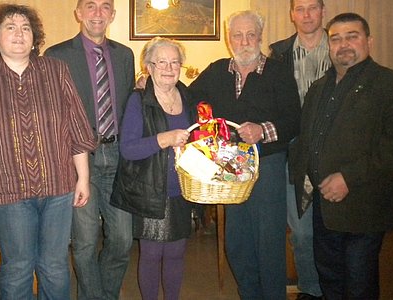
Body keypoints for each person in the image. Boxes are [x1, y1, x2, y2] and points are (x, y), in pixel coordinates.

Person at [0, 3, 96, 299]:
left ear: (34, 37)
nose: (19, 34)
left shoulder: (56, 71)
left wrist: (83, 179)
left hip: (58, 188)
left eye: (26, 28)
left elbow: (76, 129)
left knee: (54, 265)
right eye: (9, 27)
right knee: (17, 267)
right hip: (6, 193)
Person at [290, 12, 393, 299]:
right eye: (335, 39)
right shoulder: (319, 88)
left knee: (359, 284)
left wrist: (348, 178)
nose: (343, 44)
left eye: (352, 36)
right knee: (330, 279)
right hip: (323, 206)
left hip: (364, 206)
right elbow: (309, 138)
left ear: (369, 41)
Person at [188, 10, 301, 299]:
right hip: (230, 169)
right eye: (237, 35)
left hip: (268, 166)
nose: (244, 41)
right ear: (229, 39)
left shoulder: (278, 72)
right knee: (236, 242)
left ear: (260, 37)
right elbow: (187, 97)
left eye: (251, 34)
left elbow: (295, 120)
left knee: (269, 241)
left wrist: (263, 130)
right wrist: (150, 84)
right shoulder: (217, 70)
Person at [44, 0, 135, 299]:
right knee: (84, 242)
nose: (98, 13)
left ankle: (101, 295)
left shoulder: (125, 55)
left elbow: (126, 106)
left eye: (105, 6)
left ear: (113, 14)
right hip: (78, 161)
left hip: (118, 156)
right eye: (90, 6)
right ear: (78, 13)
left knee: (122, 239)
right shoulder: (57, 56)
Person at [110, 37, 192, 300]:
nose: (168, 68)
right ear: (149, 67)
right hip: (149, 190)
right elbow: (129, 149)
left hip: (181, 189)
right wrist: (165, 139)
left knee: (177, 253)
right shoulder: (138, 100)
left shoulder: (188, 95)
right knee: (152, 255)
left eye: (174, 62)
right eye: (161, 62)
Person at [269, 1, 330, 299]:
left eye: (313, 7)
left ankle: (336, 287)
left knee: (336, 229)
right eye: (300, 8)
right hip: (293, 152)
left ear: (323, 11)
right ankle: (310, 289)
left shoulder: (340, 45)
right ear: (291, 14)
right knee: (303, 232)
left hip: (336, 151)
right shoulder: (278, 54)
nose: (306, 15)